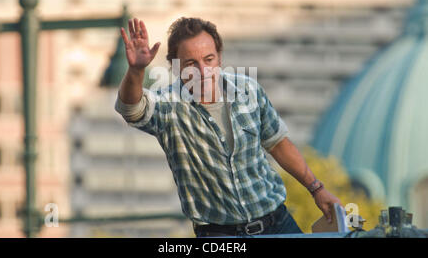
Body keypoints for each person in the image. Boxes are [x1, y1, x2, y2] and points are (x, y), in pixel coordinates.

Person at [115, 17, 342, 237]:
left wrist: (317, 189)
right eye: (192, 63)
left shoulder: (249, 90)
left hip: (277, 222)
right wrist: (136, 71)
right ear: (176, 67)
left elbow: (278, 143)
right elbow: (131, 109)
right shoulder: (168, 105)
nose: (203, 71)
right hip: (219, 233)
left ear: (220, 58)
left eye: (209, 59)